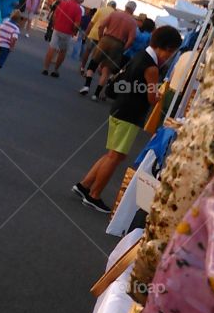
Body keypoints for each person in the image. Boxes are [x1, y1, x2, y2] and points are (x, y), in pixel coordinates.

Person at [73, 25, 183, 212]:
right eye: (171, 52)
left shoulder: (141, 55)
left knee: (113, 154)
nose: (170, 56)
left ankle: (85, 185)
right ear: (166, 48)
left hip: (120, 109)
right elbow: (151, 97)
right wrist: (159, 95)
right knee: (115, 156)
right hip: (130, 114)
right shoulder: (152, 68)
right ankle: (94, 195)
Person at [80, 0, 138, 97]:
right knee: (107, 70)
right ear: (133, 10)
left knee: (93, 63)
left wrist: (101, 37)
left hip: (106, 39)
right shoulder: (133, 22)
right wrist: (123, 48)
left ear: (125, 6)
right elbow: (131, 39)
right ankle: (96, 94)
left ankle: (87, 85)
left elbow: (101, 26)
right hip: (119, 44)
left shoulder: (114, 14)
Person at [42, 0, 83, 77]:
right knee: (62, 51)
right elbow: (76, 24)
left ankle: (45, 68)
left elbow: (55, 16)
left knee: (51, 48)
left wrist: (54, 25)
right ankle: (55, 70)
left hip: (57, 29)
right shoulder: (78, 9)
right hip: (67, 32)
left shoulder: (62, 3)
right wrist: (74, 31)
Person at [80, 0, 115, 71]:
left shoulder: (100, 10)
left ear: (108, 4)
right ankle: (89, 70)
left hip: (93, 33)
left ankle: (82, 67)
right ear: (114, 7)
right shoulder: (114, 14)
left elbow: (91, 23)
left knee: (87, 51)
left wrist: (86, 33)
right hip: (104, 37)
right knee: (96, 55)